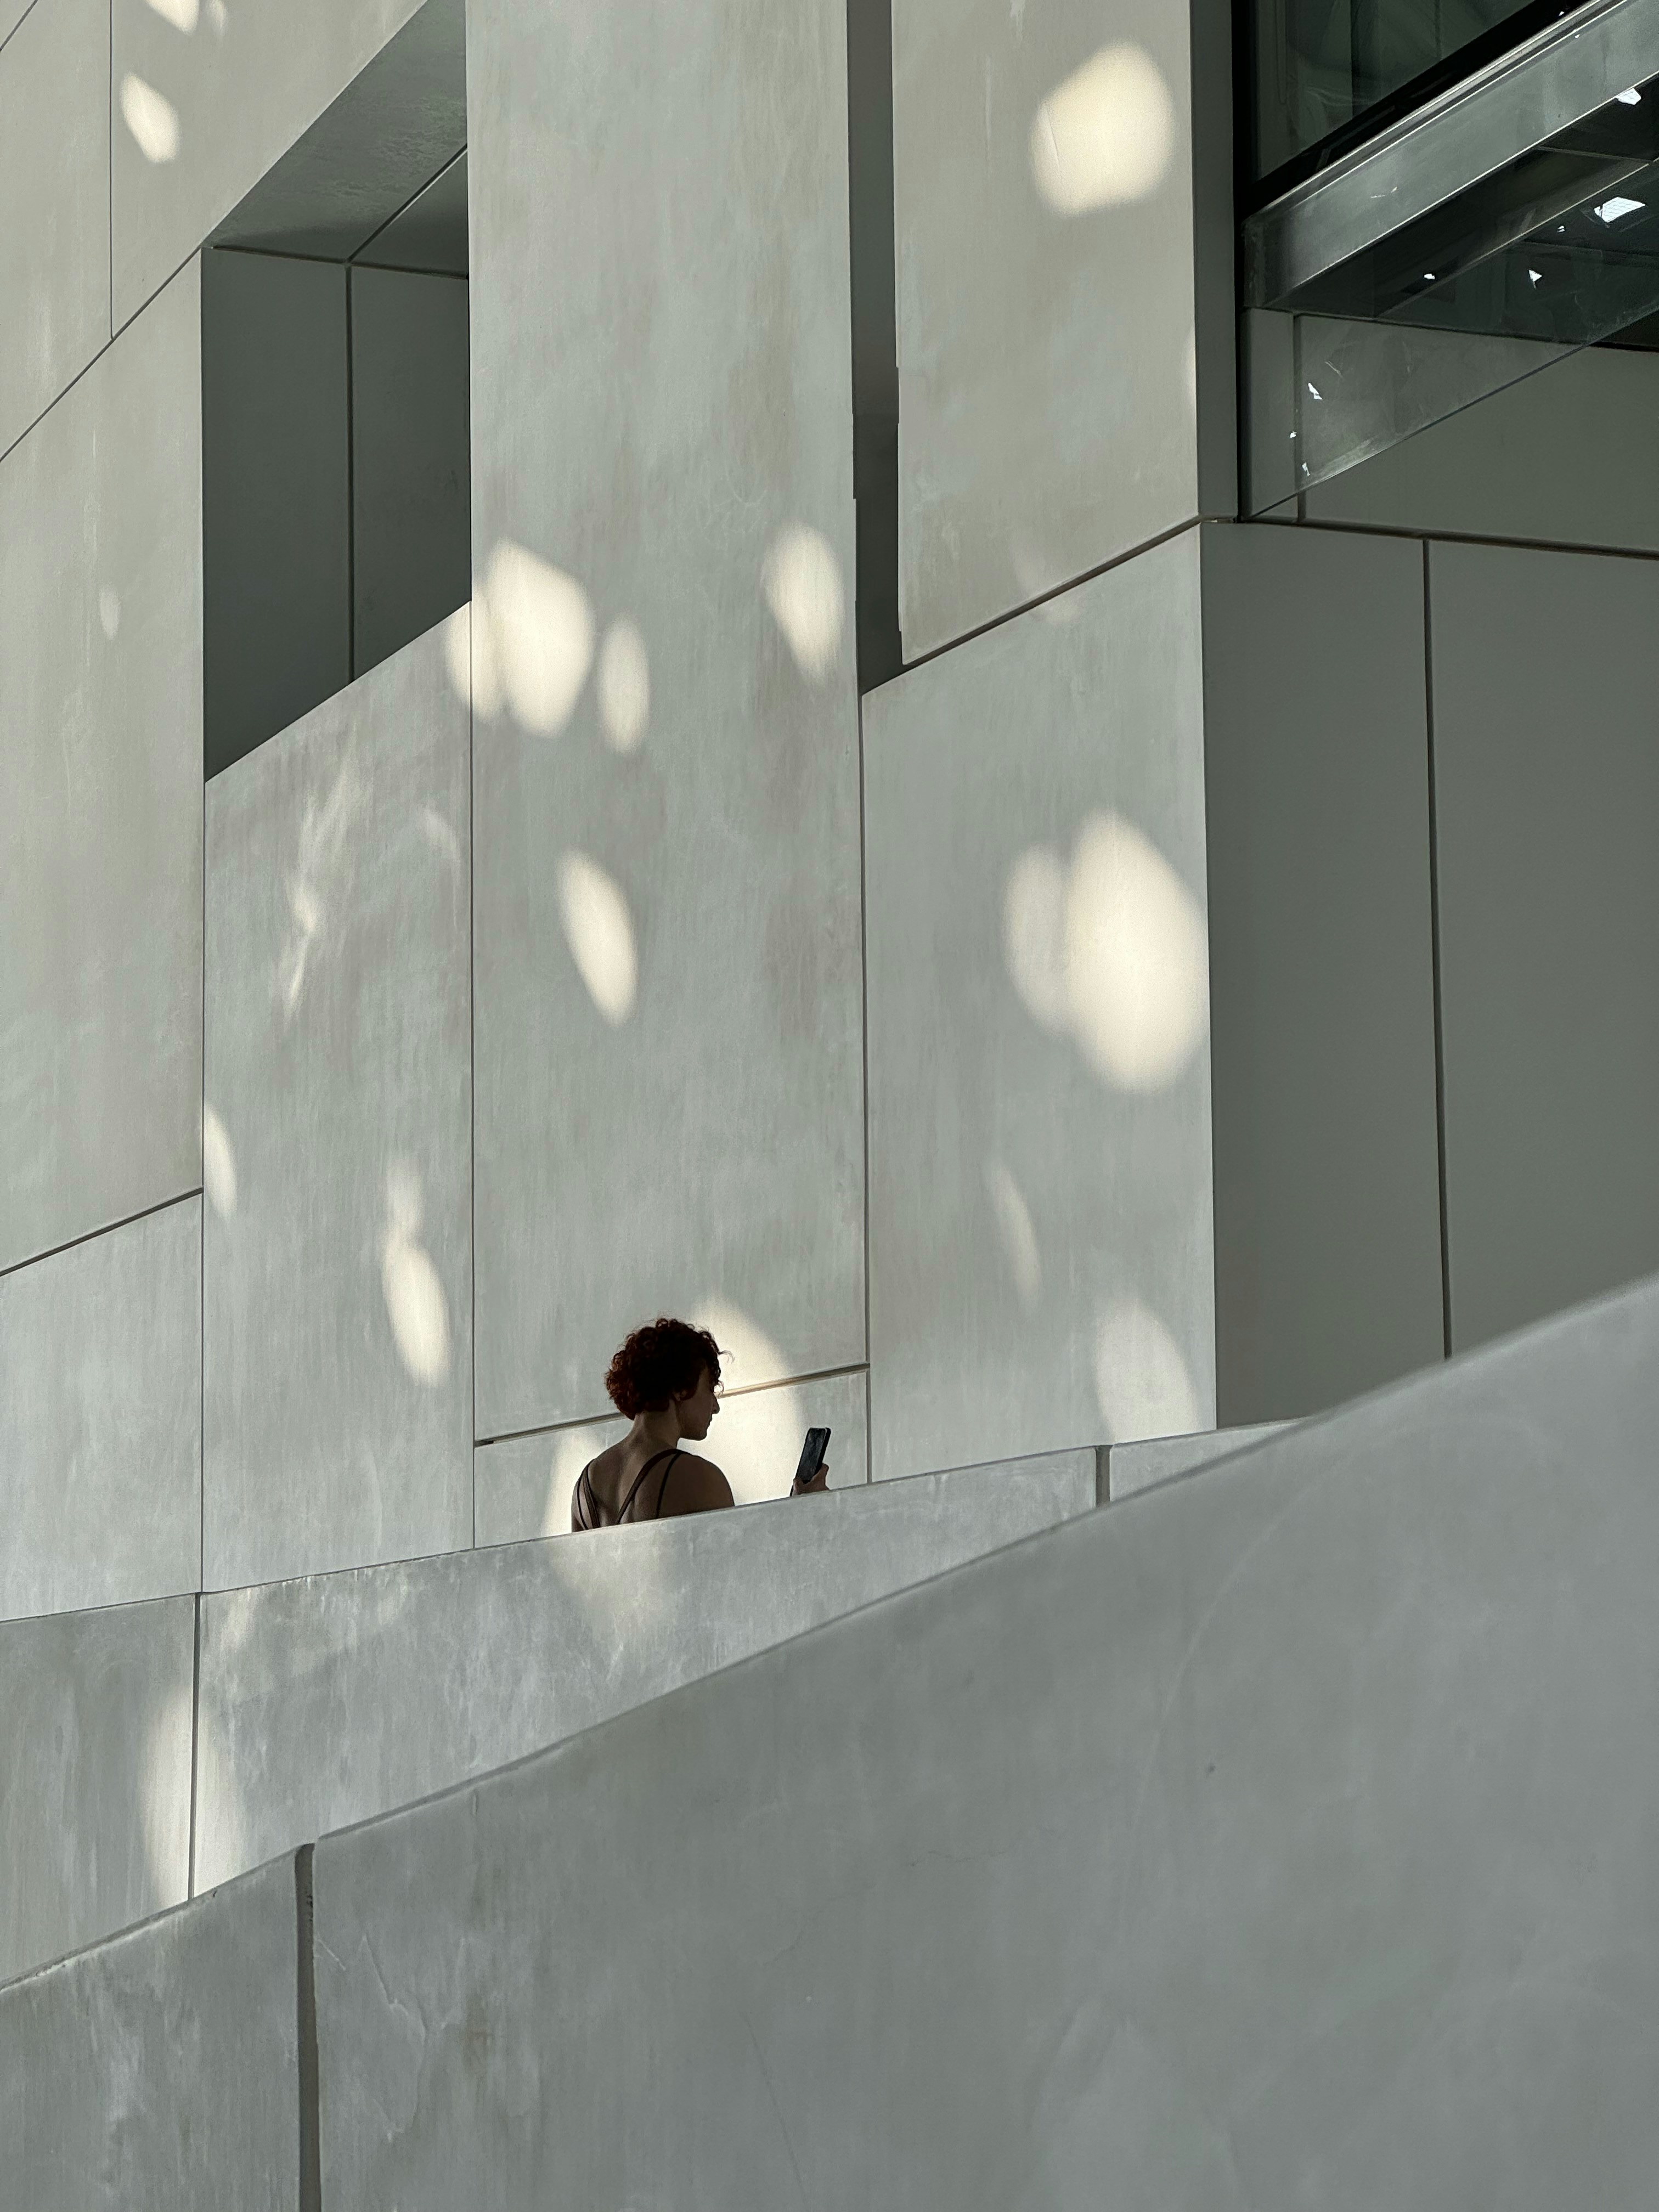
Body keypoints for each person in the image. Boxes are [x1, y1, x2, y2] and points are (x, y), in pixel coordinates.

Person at [571, 1316, 830, 1530]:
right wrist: (803, 1512)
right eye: (709, 1388)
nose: (715, 1406)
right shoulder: (698, 1477)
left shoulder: (585, 1485)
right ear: (681, 1388)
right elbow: (743, 1574)